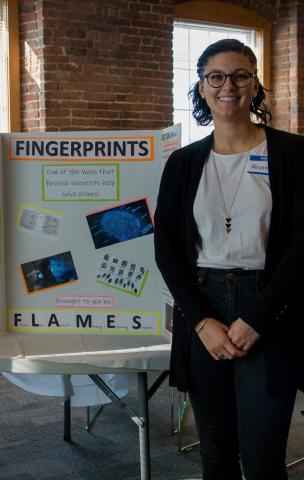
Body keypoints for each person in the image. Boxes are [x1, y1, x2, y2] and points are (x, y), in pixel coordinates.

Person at [154, 39, 304, 480]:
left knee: (262, 459)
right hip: (206, 307)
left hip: (270, 306)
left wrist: (258, 317)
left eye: (240, 75)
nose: (228, 85)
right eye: (215, 76)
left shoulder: (294, 155)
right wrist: (201, 321)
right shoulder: (183, 163)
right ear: (202, 87)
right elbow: (166, 249)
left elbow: (302, 245)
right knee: (215, 455)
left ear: (255, 84)